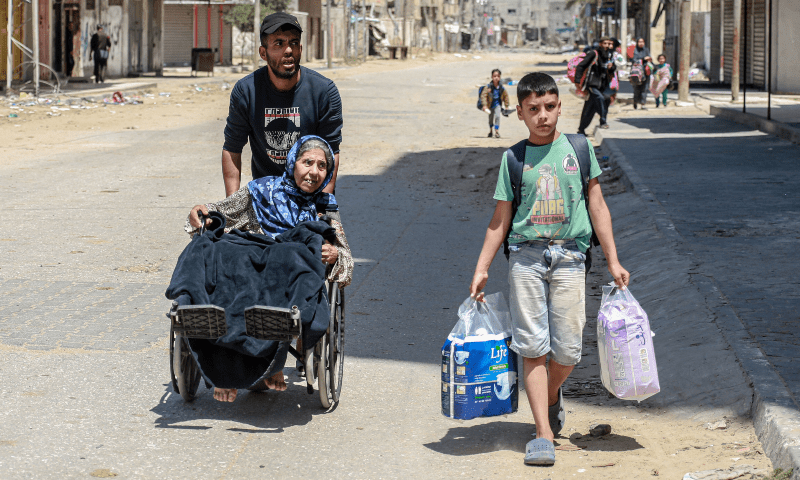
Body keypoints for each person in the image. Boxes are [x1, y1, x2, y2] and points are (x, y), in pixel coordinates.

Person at [468, 72, 629, 466]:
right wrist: (482, 267)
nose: (543, 116)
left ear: (560, 106)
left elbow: (597, 206)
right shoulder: (513, 158)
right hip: (525, 258)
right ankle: (542, 431)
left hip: (571, 258)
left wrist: (612, 259)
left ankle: (552, 395)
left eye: (550, 107)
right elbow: (500, 218)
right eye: (533, 109)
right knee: (533, 347)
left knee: (569, 350)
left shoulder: (579, 148)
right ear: (520, 113)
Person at [186, 135, 353, 403]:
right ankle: (228, 372)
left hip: (286, 281)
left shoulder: (325, 209)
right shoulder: (260, 190)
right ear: (292, 162)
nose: (314, 171)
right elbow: (222, 210)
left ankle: (270, 366)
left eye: (322, 166)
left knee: (291, 263)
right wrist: (203, 211)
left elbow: (347, 259)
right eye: (307, 162)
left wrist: (334, 254)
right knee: (222, 256)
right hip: (252, 265)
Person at [222, 12, 343, 198]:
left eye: (293, 43)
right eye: (279, 43)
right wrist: (232, 204)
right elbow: (232, 148)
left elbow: (331, 151)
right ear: (263, 53)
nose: (288, 50)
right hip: (266, 195)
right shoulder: (246, 91)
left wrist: (324, 206)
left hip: (310, 196)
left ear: (300, 49)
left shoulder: (324, 91)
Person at [575, 37, 616, 135]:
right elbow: (581, 66)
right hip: (592, 84)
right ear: (600, 44)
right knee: (601, 98)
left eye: (609, 44)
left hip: (602, 85)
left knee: (590, 108)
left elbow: (612, 70)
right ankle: (603, 122)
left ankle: (581, 129)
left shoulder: (609, 55)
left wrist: (612, 67)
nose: (607, 46)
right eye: (605, 43)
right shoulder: (594, 53)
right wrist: (577, 81)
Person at [481, 69, 510, 139]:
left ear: (500, 77)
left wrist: (506, 106)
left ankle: (496, 131)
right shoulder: (488, 87)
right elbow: (483, 96)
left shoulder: (501, 88)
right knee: (490, 119)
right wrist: (484, 105)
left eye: (498, 76)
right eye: (494, 76)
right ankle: (491, 131)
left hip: (498, 105)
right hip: (490, 105)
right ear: (491, 77)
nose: (496, 78)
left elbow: (506, 96)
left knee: (497, 117)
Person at [631, 38, 652, 109]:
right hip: (637, 72)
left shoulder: (646, 50)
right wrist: (643, 59)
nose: (641, 43)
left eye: (642, 42)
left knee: (645, 88)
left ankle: (643, 104)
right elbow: (634, 59)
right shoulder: (635, 50)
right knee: (637, 88)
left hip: (645, 72)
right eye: (639, 42)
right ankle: (635, 102)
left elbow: (649, 58)